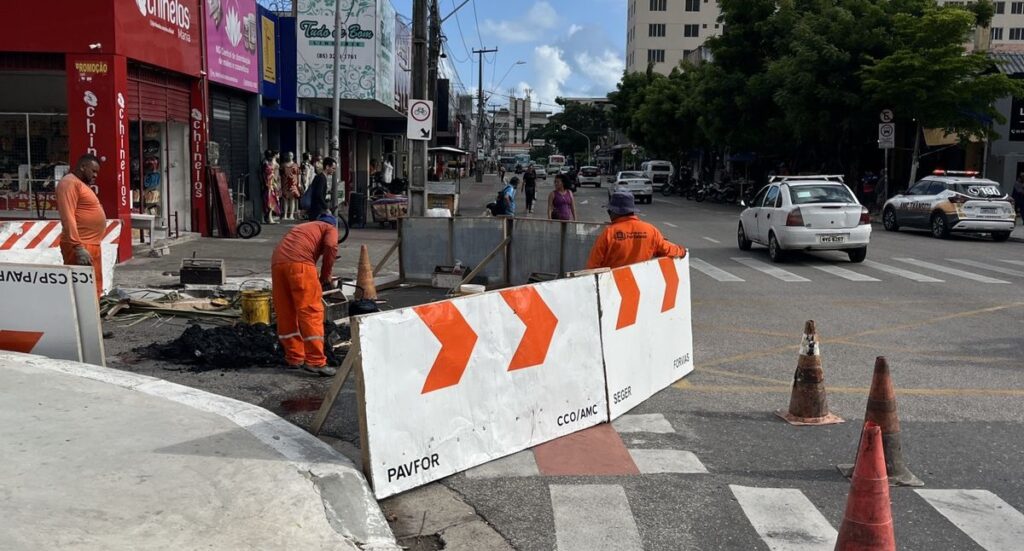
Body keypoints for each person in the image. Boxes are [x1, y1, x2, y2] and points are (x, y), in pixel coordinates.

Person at [271, 214, 339, 376]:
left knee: (286, 311)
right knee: (310, 312)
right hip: (300, 266)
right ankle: (315, 361)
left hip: (277, 264)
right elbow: (331, 246)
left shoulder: (302, 227)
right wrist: (325, 276)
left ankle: (295, 357)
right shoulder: (329, 227)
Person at [586, 191, 686, 269]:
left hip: (612, 287)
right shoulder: (651, 230)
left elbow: (593, 266)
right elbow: (667, 249)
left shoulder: (608, 233)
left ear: (614, 212)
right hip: (640, 285)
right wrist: (682, 251)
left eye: (609, 211)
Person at [56, 154, 105, 298]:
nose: (95, 175)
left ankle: (94, 316)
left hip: (91, 244)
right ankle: (84, 318)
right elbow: (67, 216)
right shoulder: (69, 183)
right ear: (83, 167)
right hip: (81, 245)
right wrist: (77, 247)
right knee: (82, 290)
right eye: (93, 171)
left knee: (93, 287)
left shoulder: (81, 184)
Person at [262, 150, 281, 224]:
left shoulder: (266, 163)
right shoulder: (266, 163)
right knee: (270, 201)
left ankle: (269, 218)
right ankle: (269, 218)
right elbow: (267, 175)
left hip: (270, 184)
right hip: (269, 185)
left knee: (271, 201)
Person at [281, 152, 301, 221]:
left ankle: (291, 215)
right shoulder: (283, 165)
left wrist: (299, 183)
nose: (290, 156)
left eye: (291, 155)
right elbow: (280, 175)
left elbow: (298, 174)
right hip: (285, 183)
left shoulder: (296, 165)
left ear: (293, 156)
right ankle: (285, 214)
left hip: (293, 183)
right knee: (285, 199)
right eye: (289, 155)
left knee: (292, 199)